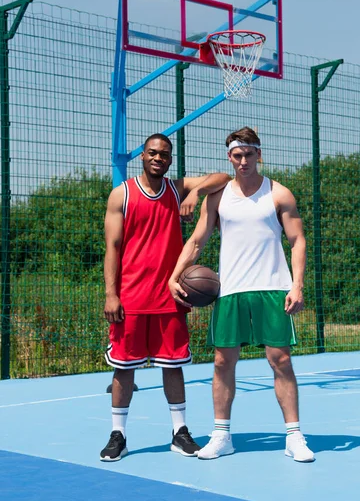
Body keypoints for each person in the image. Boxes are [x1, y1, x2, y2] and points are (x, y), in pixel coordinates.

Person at [169, 126, 315, 462]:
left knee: (280, 360)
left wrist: (297, 285)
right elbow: (196, 241)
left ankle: (294, 436)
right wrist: (174, 276)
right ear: (230, 157)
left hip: (273, 288)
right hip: (231, 289)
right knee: (223, 362)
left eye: (249, 154)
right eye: (237, 154)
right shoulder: (218, 197)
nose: (244, 160)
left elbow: (298, 241)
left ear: (259, 154)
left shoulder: (279, 194)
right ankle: (221, 435)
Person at [100, 133, 230, 462]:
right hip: (130, 297)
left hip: (171, 295)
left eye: (165, 154)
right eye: (153, 153)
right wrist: (111, 294)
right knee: (124, 369)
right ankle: (118, 435)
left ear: (170, 160)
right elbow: (112, 248)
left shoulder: (176, 188)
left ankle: (179, 432)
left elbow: (224, 177)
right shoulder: (123, 194)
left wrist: (196, 191)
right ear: (142, 156)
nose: (158, 158)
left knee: (173, 366)